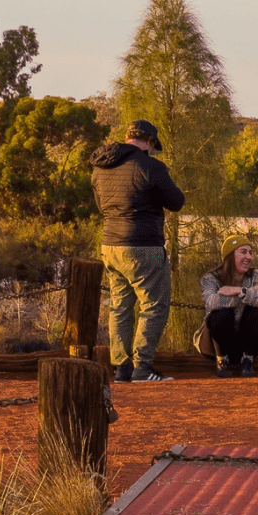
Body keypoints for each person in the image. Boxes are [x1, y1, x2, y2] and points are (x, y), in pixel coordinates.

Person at [90, 118, 185, 383]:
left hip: (110, 245)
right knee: (154, 305)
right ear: (150, 142)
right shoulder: (151, 166)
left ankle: (121, 369)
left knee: (120, 307)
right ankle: (142, 368)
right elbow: (176, 202)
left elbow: (101, 206)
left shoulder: (100, 167)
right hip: (145, 247)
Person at [198, 235, 258, 377]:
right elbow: (212, 301)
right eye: (243, 252)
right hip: (216, 343)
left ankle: (248, 360)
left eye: (251, 252)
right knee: (220, 314)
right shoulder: (210, 278)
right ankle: (222, 361)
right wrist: (250, 294)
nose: (249, 257)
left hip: (249, 342)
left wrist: (241, 291)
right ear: (229, 255)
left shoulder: (257, 275)